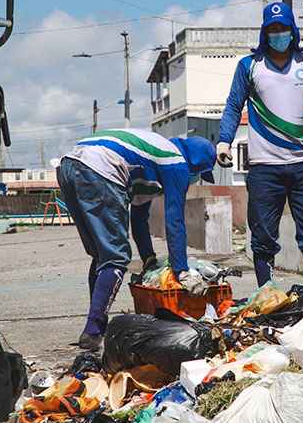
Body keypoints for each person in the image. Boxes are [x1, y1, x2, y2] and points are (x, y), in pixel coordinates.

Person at [57, 128, 216, 350]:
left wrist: (149, 259)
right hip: (100, 168)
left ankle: (94, 328)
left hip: (70, 164)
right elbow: (175, 221)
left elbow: (139, 218)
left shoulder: (152, 160)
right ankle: (93, 332)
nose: (196, 179)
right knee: (115, 258)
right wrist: (181, 271)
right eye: (199, 174)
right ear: (196, 165)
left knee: (102, 256)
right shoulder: (176, 163)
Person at [217, 2, 303, 286]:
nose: (279, 34)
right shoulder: (250, 66)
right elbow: (234, 106)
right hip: (264, 169)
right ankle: (266, 294)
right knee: (262, 239)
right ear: (264, 32)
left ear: (292, 30)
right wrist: (224, 141)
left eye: (283, 28)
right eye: (272, 29)